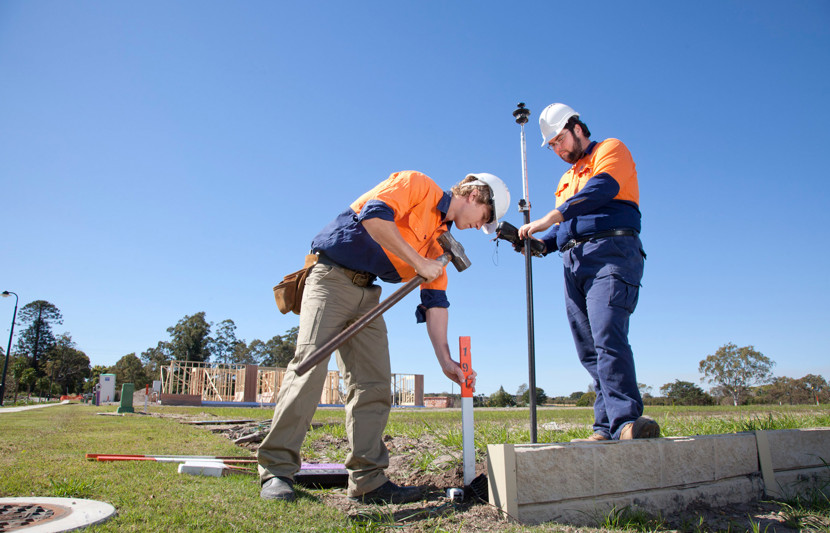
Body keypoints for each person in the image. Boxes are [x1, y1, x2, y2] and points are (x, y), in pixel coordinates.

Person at [258, 170, 510, 503]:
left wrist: (445, 360)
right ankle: (277, 470)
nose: (481, 226)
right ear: (476, 196)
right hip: (330, 278)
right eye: (485, 218)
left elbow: (435, 303)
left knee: (374, 384)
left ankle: (368, 481)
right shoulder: (419, 185)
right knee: (310, 366)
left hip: (368, 295)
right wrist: (419, 262)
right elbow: (374, 218)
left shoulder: (441, 243)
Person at [518, 103, 659, 442]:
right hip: (573, 261)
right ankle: (605, 426)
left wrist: (553, 215)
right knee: (588, 348)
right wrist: (538, 244)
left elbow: (603, 190)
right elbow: (565, 228)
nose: (557, 149)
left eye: (559, 140)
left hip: (612, 253)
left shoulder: (611, 149)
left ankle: (627, 422)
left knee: (608, 334)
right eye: (551, 145)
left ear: (577, 127)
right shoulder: (566, 178)